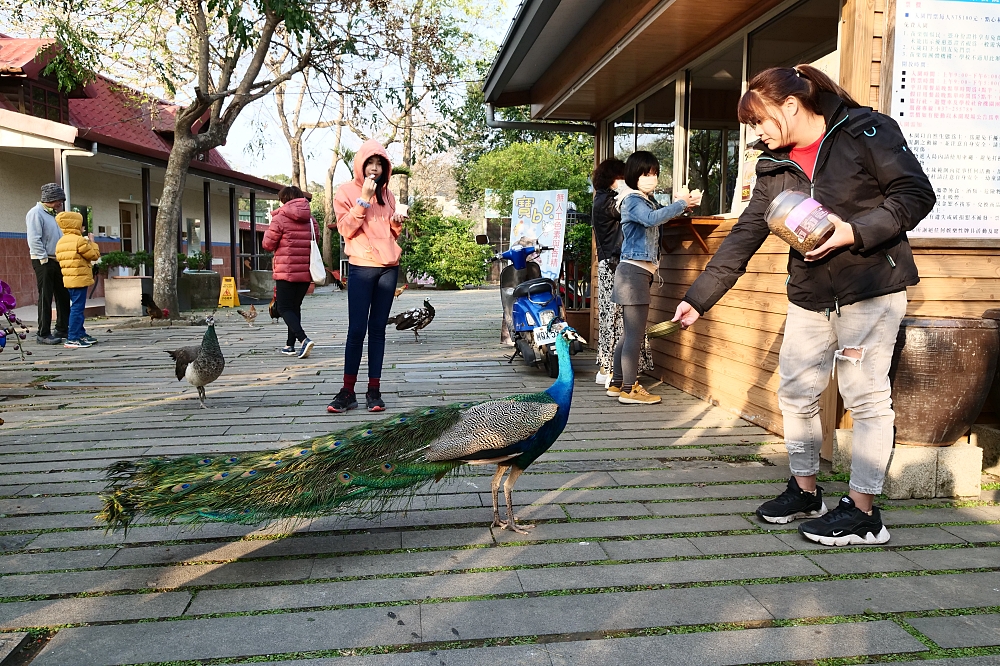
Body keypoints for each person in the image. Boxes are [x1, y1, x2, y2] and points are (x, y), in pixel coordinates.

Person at [673, 65, 936, 546]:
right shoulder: (773, 165)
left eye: (759, 121)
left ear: (790, 105)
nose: (756, 134)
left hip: (871, 288)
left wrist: (853, 231)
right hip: (811, 296)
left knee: (866, 397)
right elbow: (745, 235)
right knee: (795, 392)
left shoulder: (865, 130)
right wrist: (697, 299)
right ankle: (806, 489)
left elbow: (915, 193)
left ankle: (863, 513)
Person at [608, 151, 699, 405]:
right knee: (634, 335)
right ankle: (629, 389)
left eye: (654, 174)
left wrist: (684, 204)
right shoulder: (634, 200)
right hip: (633, 274)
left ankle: (617, 384)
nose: (652, 178)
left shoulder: (643, 199)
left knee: (629, 334)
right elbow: (652, 219)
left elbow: (660, 215)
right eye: (646, 174)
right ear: (634, 175)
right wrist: (680, 203)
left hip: (633, 273)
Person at [327, 139, 407, 414]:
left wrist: (397, 221)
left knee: (378, 330)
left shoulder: (388, 195)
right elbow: (346, 229)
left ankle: (374, 390)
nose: (374, 169)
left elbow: (390, 234)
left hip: (388, 267)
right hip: (362, 267)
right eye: (370, 163)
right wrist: (363, 199)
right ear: (361, 165)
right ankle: (347, 391)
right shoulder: (346, 192)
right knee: (357, 330)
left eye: (379, 165)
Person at [592, 158, 653, 387]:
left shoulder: (601, 199)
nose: (625, 182)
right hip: (615, 265)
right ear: (613, 178)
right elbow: (635, 213)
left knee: (615, 318)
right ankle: (611, 371)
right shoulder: (610, 201)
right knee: (618, 320)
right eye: (622, 177)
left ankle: (610, 370)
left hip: (611, 263)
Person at [263, 185, 320, 360]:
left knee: (283, 307)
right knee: (294, 307)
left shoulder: (279, 218)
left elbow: (267, 244)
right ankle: (290, 345)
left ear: (284, 200)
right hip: (305, 272)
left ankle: (303, 340)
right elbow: (315, 240)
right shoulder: (311, 220)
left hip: (286, 272)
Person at [26, 183, 70, 345]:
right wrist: (43, 258)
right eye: (59, 200)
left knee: (63, 295)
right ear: (50, 199)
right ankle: (43, 333)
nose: (61, 203)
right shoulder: (36, 213)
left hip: (57, 260)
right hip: (43, 260)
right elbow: (34, 238)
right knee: (46, 296)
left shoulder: (53, 215)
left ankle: (62, 328)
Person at [54, 210, 100, 349]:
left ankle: (80, 334)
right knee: (77, 309)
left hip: (68, 279)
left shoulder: (61, 241)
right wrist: (92, 242)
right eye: (82, 225)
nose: (83, 228)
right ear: (75, 225)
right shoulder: (79, 240)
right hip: (79, 279)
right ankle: (73, 337)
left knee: (76, 307)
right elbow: (94, 255)